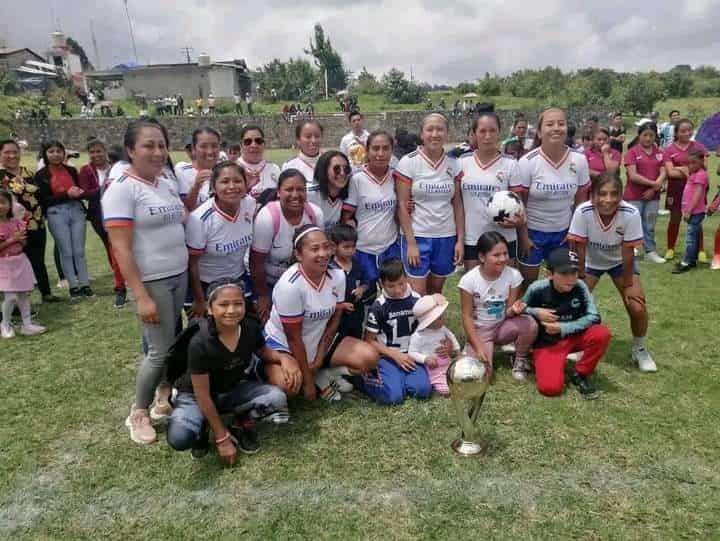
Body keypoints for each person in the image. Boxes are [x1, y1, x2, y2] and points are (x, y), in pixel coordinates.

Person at [102, 118, 188, 444]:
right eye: (148, 145)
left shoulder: (164, 181)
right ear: (130, 150)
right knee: (159, 349)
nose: (156, 152)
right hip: (152, 280)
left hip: (177, 275)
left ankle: (163, 398)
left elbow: (180, 220)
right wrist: (140, 296)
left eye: (161, 145)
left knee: (172, 342)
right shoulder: (122, 189)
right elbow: (120, 247)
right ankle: (137, 412)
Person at [166, 279, 294, 463]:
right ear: (210, 309)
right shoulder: (199, 343)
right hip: (195, 395)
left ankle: (238, 424)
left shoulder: (250, 327)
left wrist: (283, 358)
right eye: (223, 304)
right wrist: (222, 438)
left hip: (230, 390)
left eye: (238, 304)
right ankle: (204, 427)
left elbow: (262, 351)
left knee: (277, 398)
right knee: (180, 438)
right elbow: (202, 394)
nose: (232, 310)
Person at [264, 226, 378, 401]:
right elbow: (294, 338)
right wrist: (307, 382)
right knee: (289, 387)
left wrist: (319, 358)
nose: (324, 254)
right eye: (315, 249)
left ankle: (323, 373)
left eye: (326, 247)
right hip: (286, 346)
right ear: (299, 254)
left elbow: (335, 318)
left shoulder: (338, 276)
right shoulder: (290, 286)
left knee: (369, 358)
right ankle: (284, 369)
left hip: (319, 342)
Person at [568, 173, 657, 372]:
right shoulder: (583, 211)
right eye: (602, 194)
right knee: (573, 301)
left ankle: (639, 349)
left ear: (621, 195)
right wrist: (580, 279)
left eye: (614, 194)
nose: (608, 200)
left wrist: (628, 285)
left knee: (636, 305)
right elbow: (579, 247)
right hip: (590, 262)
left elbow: (628, 252)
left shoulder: (630, 212)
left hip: (620, 262)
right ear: (593, 195)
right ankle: (578, 345)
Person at [510, 107, 590, 284]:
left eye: (561, 124)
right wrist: (524, 237)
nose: (556, 128)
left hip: (563, 234)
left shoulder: (579, 160)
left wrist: (574, 232)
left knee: (561, 284)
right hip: (533, 233)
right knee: (528, 285)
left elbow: (581, 200)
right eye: (550, 124)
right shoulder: (527, 162)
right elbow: (519, 203)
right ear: (539, 131)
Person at [522, 247, 611, 399]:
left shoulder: (580, 287)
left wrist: (563, 328)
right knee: (550, 389)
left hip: (574, 337)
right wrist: (537, 312)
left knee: (601, 333)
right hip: (548, 343)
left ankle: (581, 373)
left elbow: (595, 317)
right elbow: (521, 309)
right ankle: (537, 359)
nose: (571, 278)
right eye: (564, 273)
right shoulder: (537, 289)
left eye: (574, 273)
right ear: (549, 274)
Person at [395, 113, 464, 296]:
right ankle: (417, 325)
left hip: (445, 236)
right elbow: (402, 204)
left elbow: (457, 204)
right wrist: (411, 243)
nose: (435, 134)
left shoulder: (454, 164)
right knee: (418, 295)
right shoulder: (408, 162)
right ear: (422, 133)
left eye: (440, 129)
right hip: (418, 235)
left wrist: (460, 240)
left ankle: (433, 325)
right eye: (430, 129)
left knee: (435, 292)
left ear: (447, 133)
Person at [458, 232, 538, 381]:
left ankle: (520, 358)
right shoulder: (468, 280)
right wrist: (478, 347)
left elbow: (507, 312)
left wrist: (514, 310)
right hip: (480, 330)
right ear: (482, 257)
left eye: (505, 253)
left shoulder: (514, 276)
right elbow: (466, 316)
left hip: (502, 326)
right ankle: (473, 347)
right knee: (483, 376)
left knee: (530, 324)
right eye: (496, 255)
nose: (502, 259)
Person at [250, 169, 323, 322]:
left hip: (302, 283)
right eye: (289, 189)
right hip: (269, 282)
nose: (295, 195)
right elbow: (256, 262)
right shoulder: (268, 216)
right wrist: (263, 296)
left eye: (301, 189)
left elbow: (319, 255)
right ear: (278, 192)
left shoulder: (315, 214)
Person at [186, 162, 256, 319]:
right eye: (224, 181)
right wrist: (199, 299)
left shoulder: (249, 205)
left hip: (238, 279)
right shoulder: (200, 219)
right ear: (213, 187)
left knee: (248, 333)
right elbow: (192, 264)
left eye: (238, 181)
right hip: (206, 284)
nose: (232, 186)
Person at [459, 112, 525, 271]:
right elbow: (453, 200)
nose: (487, 136)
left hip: (504, 239)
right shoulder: (461, 162)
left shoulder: (510, 164)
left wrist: (520, 221)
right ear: (474, 134)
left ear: (499, 132)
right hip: (472, 239)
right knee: (475, 290)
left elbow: (519, 204)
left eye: (492, 131)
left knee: (506, 290)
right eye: (482, 131)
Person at [360, 258, 430, 405]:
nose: (398, 290)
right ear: (381, 284)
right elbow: (369, 340)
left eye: (401, 283)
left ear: (407, 278)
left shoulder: (416, 299)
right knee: (394, 398)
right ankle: (363, 379)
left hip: (412, 353)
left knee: (422, 390)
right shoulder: (379, 306)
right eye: (391, 286)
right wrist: (395, 355)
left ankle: (397, 379)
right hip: (387, 355)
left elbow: (427, 328)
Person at [342, 131, 400, 294]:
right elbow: (347, 217)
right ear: (367, 151)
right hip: (362, 249)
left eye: (385, 148)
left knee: (393, 294)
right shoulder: (357, 179)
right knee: (364, 296)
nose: (380, 154)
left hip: (389, 247)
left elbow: (401, 209)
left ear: (391, 150)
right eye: (375, 148)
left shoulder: (396, 176)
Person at [34, 140, 93, 300]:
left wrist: (79, 192)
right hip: (56, 214)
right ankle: (74, 287)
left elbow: (80, 190)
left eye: (59, 151)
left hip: (76, 211)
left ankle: (85, 284)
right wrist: (66, 194)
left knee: (79, 251)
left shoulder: (71, 170)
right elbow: (44, 200)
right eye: (51, 151)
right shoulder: (41, 175)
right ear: (45, 154)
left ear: (63, 153)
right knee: (66, 251)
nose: (55, 154)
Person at [0, 140, 57, 303]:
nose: (12, 156)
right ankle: (16, 302)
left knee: (38, 259)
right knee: (15, 262)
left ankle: (46, 292)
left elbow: (39, 196)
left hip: (37, 223)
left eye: (15, 152)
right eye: (7, 152)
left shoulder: (28, 173)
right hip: (14, 227)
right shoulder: (0, 175)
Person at [78, 139, 128, 307]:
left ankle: (129, 280)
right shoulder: (86, 170)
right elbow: (85, 192)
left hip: (124, 212)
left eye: (98, 151)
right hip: (100, 215)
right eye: (92, 152)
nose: (95, 154)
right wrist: (105, 188)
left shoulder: (118, 166)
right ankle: (120, 287)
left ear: (105, 151)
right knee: (113, 251)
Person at [0, 189, 46, 338]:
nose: (1, 206)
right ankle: (5, 324)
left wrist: (20, 238)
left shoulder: (16, 222)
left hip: (20, 260)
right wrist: (12, 239)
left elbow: (24, 243)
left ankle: (27, 324)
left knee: (24, 294)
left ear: (9, 204)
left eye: (3, 202)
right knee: (11, 297)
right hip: (4, 264)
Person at [663, 119, 709, 263]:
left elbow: (704, 168)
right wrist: (686, 171)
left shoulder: (700, 147)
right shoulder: (669, 150)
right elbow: (670, 172)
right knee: (675, 218)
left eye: (690, 130)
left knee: (696, 220)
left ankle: (700, 250)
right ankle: (670, 248)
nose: (687, 133)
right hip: (676, 188)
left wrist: (682, 169)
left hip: (697, 188)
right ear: (676, 132)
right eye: (683, 131)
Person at [623, 122, 667, 264]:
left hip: (653, 195)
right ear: (639, 135)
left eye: (651, 135)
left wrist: (654, 188)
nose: (648, 138)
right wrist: (653, 184)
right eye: (645, 135)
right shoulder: (632, 152)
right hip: (634, 194)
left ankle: (650, 251)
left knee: (650, 224)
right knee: (632, 223)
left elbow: (664, 171)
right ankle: (631, 248)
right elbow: (633, 175)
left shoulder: (660, 153)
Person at [408, 293, 460, 396]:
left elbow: (451, 336)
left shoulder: (442, 329)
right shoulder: (419, 336)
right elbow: (412, 352)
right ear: (429, 322)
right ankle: (439, 386)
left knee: (456, 374)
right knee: (443, 385)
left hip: (447, 361)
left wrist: (457, 349)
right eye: (440, 318)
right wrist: (425, 359)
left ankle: (452, 380)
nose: (444, 319)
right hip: (433, 367)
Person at [328, 223, 369, 342]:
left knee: (356, 341)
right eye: (346, 247)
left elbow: (366, 282)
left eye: (353, 247)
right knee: (336, 343)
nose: (351, 251)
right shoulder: (329, 268)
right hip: (336, 319)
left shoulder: (357, 265)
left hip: (356, 316)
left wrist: (361, 289)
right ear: (334, 247)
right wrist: (341, 306)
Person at [672, 150, 709, 274]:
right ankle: (692, 259)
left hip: (695, 212)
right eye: (689, 163)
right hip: (693, 211)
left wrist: (689, 211)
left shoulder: (701, 175)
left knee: (690, 238)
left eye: (694, 163)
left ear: (701, 162)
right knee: (694, 235)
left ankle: (686, 262)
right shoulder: (694, 174)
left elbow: (697, 195)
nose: (690, 165)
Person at [176, 127, 221, 211]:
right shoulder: (182, 170)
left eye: (214, 146)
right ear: (193, 149)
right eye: (203, 146)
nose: (210, 152)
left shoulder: (224, 171)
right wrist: (196, 186)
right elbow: (186, 209)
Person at [308, 151, 351, 229]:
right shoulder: (308, 194)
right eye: (336, 169)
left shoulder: (349, 194)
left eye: (346, 169)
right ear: (324, 171)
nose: (342, 173)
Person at [237, 125, 280, 198]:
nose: (254, 145)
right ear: (241, 146)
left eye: (258, 141)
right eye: (248, 142)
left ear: (264, 144)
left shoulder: (275, 169)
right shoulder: (232, 170)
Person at [282, 120, 323, 187]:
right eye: (308, 137)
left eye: (317, 136)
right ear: (298, 140)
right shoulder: (289, 166)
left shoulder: (330, 163)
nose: (313, 140)